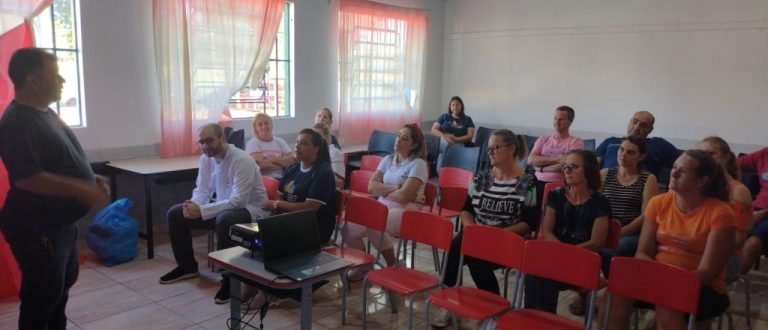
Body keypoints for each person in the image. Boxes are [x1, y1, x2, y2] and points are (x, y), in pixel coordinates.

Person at [0, 48, 109, 330]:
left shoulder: (45, 113)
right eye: (55, 74)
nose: (62, 80)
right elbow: (28, 177)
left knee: (59, 291)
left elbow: (59, 160)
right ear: (33, 80)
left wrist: (89, 178)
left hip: (59, 224)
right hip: (36, 228)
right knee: (41, 297)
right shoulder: (16, 122)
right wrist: (79, 188)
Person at [605, 150, 735, 330]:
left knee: (668, 301)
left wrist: (669, 282)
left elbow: (707, 272)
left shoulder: (720, 213)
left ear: (701, 181)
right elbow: (642, 252)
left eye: (682, 171)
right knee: (615, 292)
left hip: (703, 287)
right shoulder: (658, 203)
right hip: (657, 276)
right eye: (674, 167)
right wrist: (660, 279)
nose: (673, 173)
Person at [431, 129, 538, 328]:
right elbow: (466, 210)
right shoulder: (482, 178)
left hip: (508, 240)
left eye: (495, 148)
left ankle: (493, 311)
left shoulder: (528, 182)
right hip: (479, 237)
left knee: (474, 256)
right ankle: (452, 299)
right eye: (489, 148)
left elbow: (530, 222)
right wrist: (473, 230)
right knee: (458, 246)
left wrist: (497, 235)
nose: (490, 152)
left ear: (512, 149)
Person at [158, 123, 269, 306]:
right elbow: (202, 190)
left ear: (223, 138)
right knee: (176, 213)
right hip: (223, 209)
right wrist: (194, 205)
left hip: (251, 211)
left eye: (209, 141)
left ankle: (229, 280)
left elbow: (238, 202)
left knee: (224, 220)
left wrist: (202, 210)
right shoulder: (206, 159)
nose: (205, 146)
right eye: (201, 142)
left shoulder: (241, 160)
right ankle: (187, 266)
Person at [524, 149, 611, 313]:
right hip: (557, 254)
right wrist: (561, 254)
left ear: (588, 170)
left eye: (573, 167)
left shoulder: (601, 202)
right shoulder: (556, 195)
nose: (567, 171)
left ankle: (543, 321)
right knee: (534, 270)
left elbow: (597, 243)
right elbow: (547, 231)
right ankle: (532, 319)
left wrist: (568, 255)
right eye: (565, 167)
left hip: (583, 259)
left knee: (544, 275)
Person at [343, 123, 428, 271]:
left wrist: (384, 190)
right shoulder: (388, 159)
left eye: (404, 138)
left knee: (375, 223)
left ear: (413, 145)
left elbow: (403, 197)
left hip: (407, 212)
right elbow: (371, 187)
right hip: (383, 206)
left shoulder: (418, 164)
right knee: (348, 227)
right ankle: (363, 265)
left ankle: (393, 264)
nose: (399, 140)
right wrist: (397, 188)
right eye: (398, 136)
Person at [262, 128, 337, 243]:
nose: (297, 146)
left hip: (314, 227)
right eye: (297, 142)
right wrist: (282, 211)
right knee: (258, 232)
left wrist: (277, 205)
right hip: (289, 220)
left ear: (316, 149)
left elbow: (309, 207)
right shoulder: (292, 168)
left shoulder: (323, 172)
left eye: (304, 143)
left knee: (269, 239)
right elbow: (279, 195)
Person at [698, 137, 753, 276]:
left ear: (726, 157)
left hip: (728, 258)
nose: (706, 159)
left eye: (711, 154)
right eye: (701, 154)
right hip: (695, 249)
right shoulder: (695, 186)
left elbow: (738, 241)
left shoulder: (738, 191)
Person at [601, 136, 659, 258]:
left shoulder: (648, 179)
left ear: (641, 157)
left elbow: (647, 215)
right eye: (621, 149)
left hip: (630, 231)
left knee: (617, 248)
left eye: (630, 152)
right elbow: (593, 204)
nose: (623, 154)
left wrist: (620, 232)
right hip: (603, 227)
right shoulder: (605, 173)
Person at [595, 111, 681, 177]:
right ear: (629, 122)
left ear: (650, 130)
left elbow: (684, 164)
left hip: (640, 191)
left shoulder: (659, 145)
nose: (636, 127)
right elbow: (592, 166)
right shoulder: (610, 142)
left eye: (643, 125)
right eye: (634, 122)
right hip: (605, 188)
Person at [528, 105, 584, 206]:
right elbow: (531, 160)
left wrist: (541, 169)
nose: (557, 122)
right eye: (555, 118)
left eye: (561, 119)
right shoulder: (543, 139)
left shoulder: (576, 142)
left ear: (570, 121)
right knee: (529, 209)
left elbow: (568, 166)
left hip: (559, 185)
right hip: (536, 182)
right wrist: (558, 159)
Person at [737, 147, 768, 274]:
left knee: (753, 243)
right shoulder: (764, 154)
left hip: (763, 214)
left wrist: (763, 213)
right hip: (755, 209)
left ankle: (728, 280)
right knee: (722, 228)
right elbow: (733, 164)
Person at [431, 96, 475, 171]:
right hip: (444, 141)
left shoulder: (468, 119)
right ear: (450, 107)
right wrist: (446, 137)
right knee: (446, 145)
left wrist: (456, 139)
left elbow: (470, 136)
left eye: (457, 104)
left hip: (459, 143)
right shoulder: (444, 117)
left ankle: (442, 171)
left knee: (447, 148)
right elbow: (433, 130)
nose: (455, 107)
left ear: (461, 106)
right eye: (453, 105)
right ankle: (445, 171)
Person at [245, 113, 294, 179]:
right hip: (262, 180)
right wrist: (282, 163)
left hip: (282, 179)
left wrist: (272, 160)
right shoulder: (253, 143)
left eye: (266, 123)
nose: (264, 127)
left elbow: (292, 160)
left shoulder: (280, 141)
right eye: (260, 124)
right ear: (255, 128)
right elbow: (260, 165)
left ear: (271, 125)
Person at [313, 122, 345, 188]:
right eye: (313, 137)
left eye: (318, 136)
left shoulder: (334, 153)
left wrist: (317, 177)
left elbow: (340, 182)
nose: (315, 140)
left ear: (327, 137)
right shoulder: (312, 152)